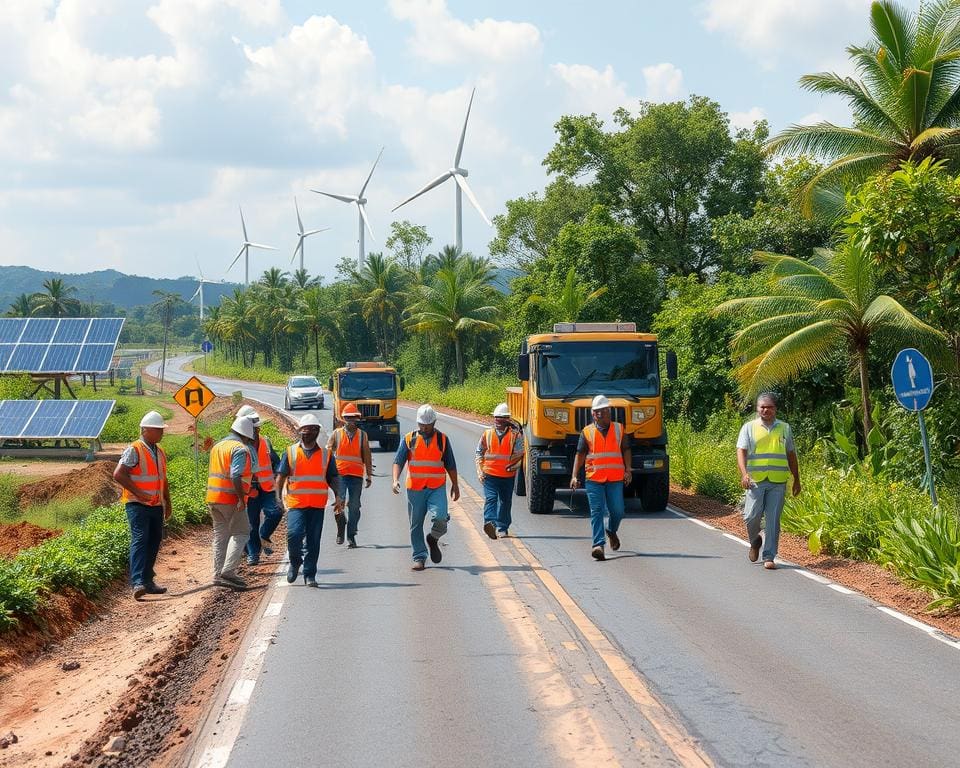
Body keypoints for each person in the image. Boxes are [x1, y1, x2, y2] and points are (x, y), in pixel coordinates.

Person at [276, 413, 343, 587]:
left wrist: (339, 495)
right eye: (305, 430)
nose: (308, 433)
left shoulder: (326, 455)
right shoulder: (290, 452)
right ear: (300, 432)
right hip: (296, 503)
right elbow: (281, 476)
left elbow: (333, 478)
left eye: (312, 430)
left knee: (313, 541)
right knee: (294, 534)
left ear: (317, 431)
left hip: (317, 504)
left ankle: (309, 574)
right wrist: (277, 497)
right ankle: (295, 561)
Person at [736, 393, 801, 570]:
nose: (765, 410)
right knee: (751, 516)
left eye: (769, 407)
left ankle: (769, 556)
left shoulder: (785, 428)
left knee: (773, 520)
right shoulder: (749, 428)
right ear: (757, 409)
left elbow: (791, 454)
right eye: (762, 407)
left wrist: (797, 478)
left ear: (775, 409)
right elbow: (741, 451)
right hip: (755, 480)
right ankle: (755, 540)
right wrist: (744, 473)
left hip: (778, 481)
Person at [392, 404, 460, 571]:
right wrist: (395, 480)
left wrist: (455, 485)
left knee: (441, 517)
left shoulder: (443, 440)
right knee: (415, 525)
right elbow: (398, 461)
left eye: (427, 424)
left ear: (434, 422)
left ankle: (433, 537)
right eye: (422, 424)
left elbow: (450, 464)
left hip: (436, 487)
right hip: (415, 489)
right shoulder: (409, 439)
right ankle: (419, 557)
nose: (424, 427)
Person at [114, 411, 171, 600]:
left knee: (154, 541)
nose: (161, 433)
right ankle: (137, 582)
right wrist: (140, 493)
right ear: (146, 430)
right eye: (158, 430)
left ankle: (148, 580)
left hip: (156, 504)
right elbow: (119, 474)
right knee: (140, 539)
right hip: (137, 504)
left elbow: (163, 479)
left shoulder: (159, 451)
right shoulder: (135, 449)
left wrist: (167, 501)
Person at [570, 395, 631, 561]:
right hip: (594, 479)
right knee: (596, 511)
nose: (600, 414)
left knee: (617, 511)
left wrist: (628, 470)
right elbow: (580, 454)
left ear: (608, 411)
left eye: (603, 411)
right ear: (592, 413)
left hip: (615, 479)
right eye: (596, 412)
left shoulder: (619, 429)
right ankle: (598, 545)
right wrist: (574, 476)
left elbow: (626, 449)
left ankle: (611, 529)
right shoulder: (587, 432)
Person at [206, 415, 257, 589]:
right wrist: (241, 498)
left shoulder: (218, 446)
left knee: (221, 536)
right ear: (246, 435)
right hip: (230, 498)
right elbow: (235, 475)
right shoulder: (239, 449)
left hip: (213, 498)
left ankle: (217, 574)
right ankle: (228, 571)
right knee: (241, 533)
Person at [236, 405, 282, 565]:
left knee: (276, 513)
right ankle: (253, 554)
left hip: (267, 488)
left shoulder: (265, 442)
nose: (256, 431)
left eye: (256, 428)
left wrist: (279, 476)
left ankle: (263, 537)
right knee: (251, 523)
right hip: (250, 490)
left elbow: (277, 463)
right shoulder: (239, 447)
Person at [328, 403, 373, 548]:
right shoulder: (336, 434)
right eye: (348, 418)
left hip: (356, 476)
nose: (351, 420)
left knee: (354, 506)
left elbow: (367, 455)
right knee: (338, 505)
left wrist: (369, 475)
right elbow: (328, 454)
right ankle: (341, 528)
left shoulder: (362, 436)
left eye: (353, 418)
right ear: (344, 419)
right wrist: (326, 473)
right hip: (339, 475)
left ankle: (351, 535)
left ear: (357, 419)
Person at [476, 402, 523, 539]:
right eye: (496, 417)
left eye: (501, 418)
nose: (498, 420)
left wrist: (513, 466)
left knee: (505, 501)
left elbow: (521, 455)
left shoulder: (516, 436)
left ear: (507, 420)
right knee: (491, 498)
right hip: (490, 474)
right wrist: (480, 471)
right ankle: (489, 523)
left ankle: (502, 527)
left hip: (507, 476)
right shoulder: (487, 434)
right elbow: (479, 452)